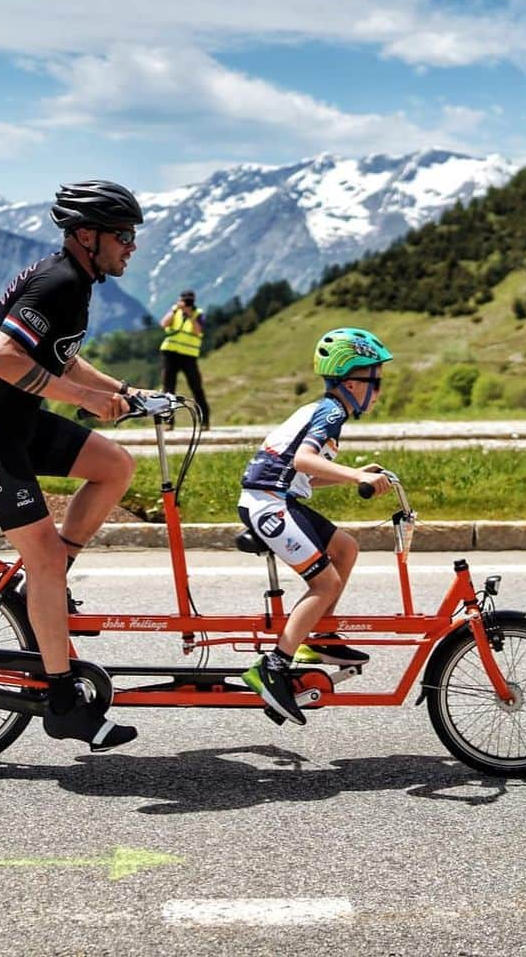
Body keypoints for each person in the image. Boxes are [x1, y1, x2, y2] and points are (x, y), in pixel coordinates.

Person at [0, 179, 146, 752]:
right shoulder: (58, 282)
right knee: (46, 557)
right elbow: (4, 359)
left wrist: (122, 389)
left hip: (16, 420)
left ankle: (46, 582)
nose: (131, 246)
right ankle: (61, 701)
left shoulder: (73, 280)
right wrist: (81, 399)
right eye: (123, 235)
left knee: (114, 465)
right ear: (87, 235)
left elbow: (60, 355)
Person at [238, 327, 394, 726]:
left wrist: (353, 476)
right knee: (325, 583)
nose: (378, 392)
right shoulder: (331, 411)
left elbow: (305, 476)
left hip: (279, 497)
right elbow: (304, 462)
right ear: (352, 381)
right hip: (266, 503)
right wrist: (353, 473)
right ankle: (273, 665)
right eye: (375, 381)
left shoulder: (328, 411)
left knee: (346, 548)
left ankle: (319, 636)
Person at [160, 288, 210, 429]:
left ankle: (204, 422)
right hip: (170, 353)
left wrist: (190, 316)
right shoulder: (175, 311)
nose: (187, 303)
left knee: (196, 388)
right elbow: (163, 324)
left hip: (189, 356)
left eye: (189, 300)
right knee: (168, 389)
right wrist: (176, 310)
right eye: (184, 300)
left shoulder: (198, 314)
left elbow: (199, 330)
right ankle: (169, 422)